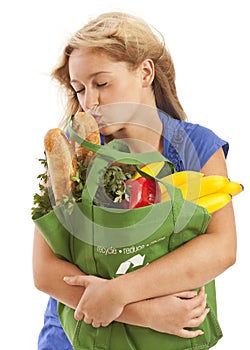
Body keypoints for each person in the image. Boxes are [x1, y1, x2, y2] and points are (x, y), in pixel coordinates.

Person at [33, 11, 237, 350]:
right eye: (79, 88)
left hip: (166, 337)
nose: (90, 101)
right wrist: (140, 312)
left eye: (101, 83)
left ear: (145, 72)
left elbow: (221, 248)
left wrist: (120, 293)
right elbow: (44, 270)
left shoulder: (195, 147)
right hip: (75, 334)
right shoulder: (70, 150)